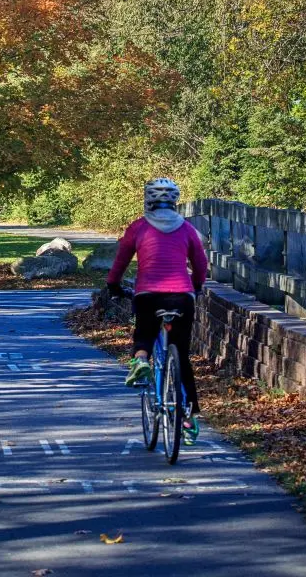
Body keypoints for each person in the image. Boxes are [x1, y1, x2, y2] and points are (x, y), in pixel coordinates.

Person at [106, 178, 208, 443]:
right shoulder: (187, 229)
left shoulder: (138, 228)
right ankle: (190, 416)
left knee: (145, 333)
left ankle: (140, 361)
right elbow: (200, 263)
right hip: (182, 297)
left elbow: (120, 262)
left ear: (147, 201)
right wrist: (196, 286)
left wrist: (113, 285)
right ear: (174, 202)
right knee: (181, 356)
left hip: (148, 294)